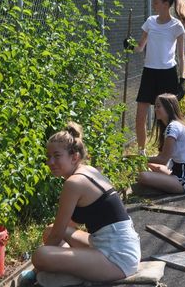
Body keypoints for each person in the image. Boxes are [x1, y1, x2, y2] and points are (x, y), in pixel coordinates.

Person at [19, 122, 140, 287]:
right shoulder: (88, 170)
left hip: (117, 257)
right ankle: (75, 269)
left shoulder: (74, 183)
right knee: (49, 231)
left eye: (56, 156)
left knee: (40, 256)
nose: (50, 162)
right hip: (112, 244)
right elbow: (62, 228)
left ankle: (71, 274)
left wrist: (35, 271)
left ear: (74, 157)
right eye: (48, 157)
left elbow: (57, 236)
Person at [125, 0, 185, 156]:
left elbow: (182, 56)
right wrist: (130, 46)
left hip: (167, 74)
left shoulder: (177, 26)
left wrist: (182, 80)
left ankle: (167, 153)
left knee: (167, 119)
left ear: (165, 4)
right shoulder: (150, 22)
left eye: (156, 2)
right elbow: (140, 48)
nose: (153, 4)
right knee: (140, 117)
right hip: (149, 73)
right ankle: (142, 153)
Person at [138, 93, 185, 194]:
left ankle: (160, 187)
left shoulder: (173, 127)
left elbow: (163, 160)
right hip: (177, 172)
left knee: (142, 176)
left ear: (168, 108)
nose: (155, 109)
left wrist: (138, 159)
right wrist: (145, 162)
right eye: (155, 106)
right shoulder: (174, 125)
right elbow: (161, 159)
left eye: (158, 106)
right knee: (150, 165)